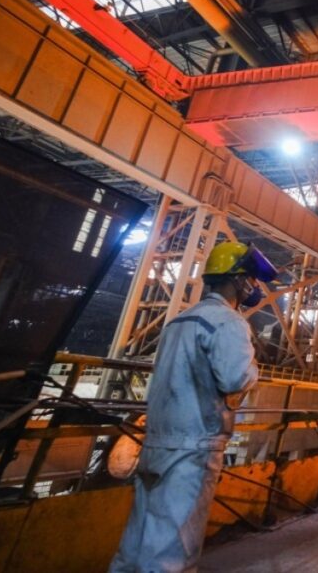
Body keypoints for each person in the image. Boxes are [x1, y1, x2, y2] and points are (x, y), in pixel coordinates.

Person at [110, 241, 277, 572]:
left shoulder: (179, 321)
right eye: (250, 278)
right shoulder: (229, 322)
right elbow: (235, 379)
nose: (253, 285)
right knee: (173, 551)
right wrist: (253, 368)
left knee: (136, 544)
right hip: (193, 448)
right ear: (237, 279)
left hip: (156, 444)